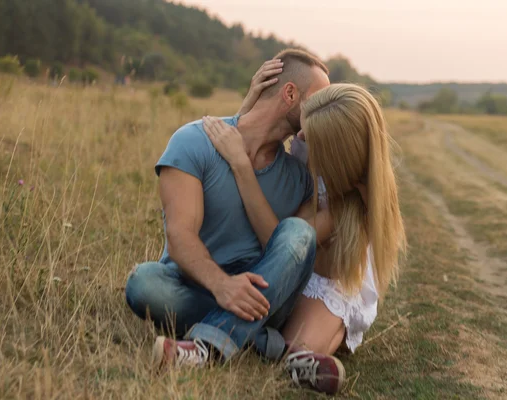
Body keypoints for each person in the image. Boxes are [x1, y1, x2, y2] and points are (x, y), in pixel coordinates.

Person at [124, 49, 345, 394]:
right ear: (290, 94)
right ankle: (271, 347)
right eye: (318, 100)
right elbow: (180, 236)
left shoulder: (299, 177)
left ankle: (203, 350)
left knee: (299, 231)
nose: (325, 110)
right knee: (143, 283)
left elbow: (290, 251)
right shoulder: (195, 140)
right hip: (196, 284)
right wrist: (222, 286)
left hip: (264, 297)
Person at [202, 83, 407, 364]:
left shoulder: (353, 199)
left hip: (328, 279)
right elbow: (255, 141)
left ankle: (314, 342)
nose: (298, 136)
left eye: (308, 138)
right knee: (285, 333)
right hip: (298, 264)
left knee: (296, 349)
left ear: (335, 157)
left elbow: (283, 245)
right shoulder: (309, 145)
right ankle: (290, 341)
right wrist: (248, 107)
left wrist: (241, 166)